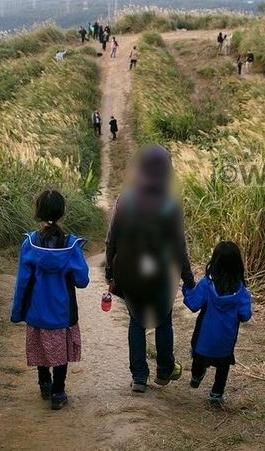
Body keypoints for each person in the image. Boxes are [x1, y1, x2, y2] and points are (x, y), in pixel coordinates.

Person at [105, 145, 195, 393]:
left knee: (136, 323)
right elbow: (178, 244)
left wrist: (109, 271)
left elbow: (112, 238)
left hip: (132, 272)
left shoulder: (126, 198)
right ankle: (164, 371)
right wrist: (188, 277)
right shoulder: (170, 202)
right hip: (161, 273)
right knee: (164, 322)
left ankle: (139, 377)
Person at [10, 190, 90, 410]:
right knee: (60, 352)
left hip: (36, 312)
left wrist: (18, 312)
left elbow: (22, 283)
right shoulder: (70, 244)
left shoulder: (30, 243)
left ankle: (44, 383)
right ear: (62, 212)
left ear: (38, 212)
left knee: (41, 348)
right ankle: (58, 392)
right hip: (62, 313)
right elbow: (82, 280)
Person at [182, 241, 252, 408]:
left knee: (198, 359)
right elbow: (245, 315)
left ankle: (196, 376)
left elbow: (193, 304)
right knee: (223, 367)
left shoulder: (207, 284)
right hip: (226, 341)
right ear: (237, 264)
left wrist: (186, 288)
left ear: (215, 260)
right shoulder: (241, 290)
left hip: (203, 339)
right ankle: (216, 394)